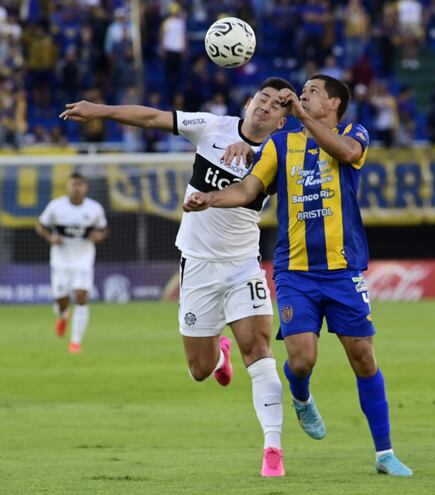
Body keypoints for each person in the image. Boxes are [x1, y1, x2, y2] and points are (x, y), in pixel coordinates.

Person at [59, 77, 296, 477]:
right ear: (249, 101)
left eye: (277, 106)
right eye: (263, 98)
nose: (267, 106)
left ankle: (273, 448)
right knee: (200, 370)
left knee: (258, 352)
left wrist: (226, 184)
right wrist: (100, 110)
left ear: (281, 123)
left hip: (243, 264)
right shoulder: (212, 126)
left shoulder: (280, 152)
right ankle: (219, 353)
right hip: (198, 264)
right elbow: (152, 117)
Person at [183, 74, 413, 477]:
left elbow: (344, 151)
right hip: (295, 271)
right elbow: (249, 189)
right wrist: (210, 199)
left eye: (312, 92)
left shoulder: (352, 133)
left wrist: (304, 118)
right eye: (301, 92)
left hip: (343, 269)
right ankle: (302, 398)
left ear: (334, 104)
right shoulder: (278, 144)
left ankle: (384, 454)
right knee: (302, 360)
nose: (301, 95)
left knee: (363, 358)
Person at [36, 172, 108, 354]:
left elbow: (103, 229)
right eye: (73, 184)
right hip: (60, 260)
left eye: (80, 185)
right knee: (61, 300)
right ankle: (62, 315)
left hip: (83, 259)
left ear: (85, 187)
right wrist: (50, 238)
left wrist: (98, 236)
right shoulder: (56, 206)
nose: (77, 188)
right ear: (68, 187)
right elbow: (41, 226)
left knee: (81, 297)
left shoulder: (94, 208)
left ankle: (75, 342)